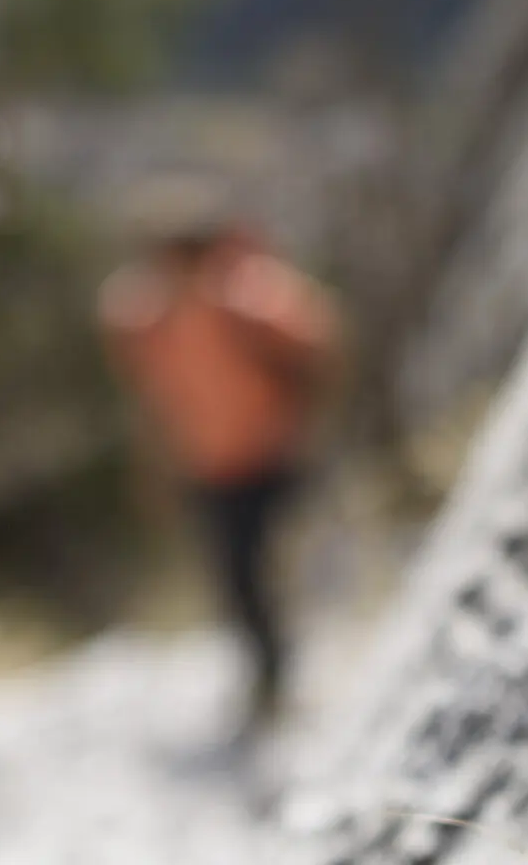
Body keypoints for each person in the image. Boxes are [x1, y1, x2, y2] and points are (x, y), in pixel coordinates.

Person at [98, 176, 341, 744]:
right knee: (237, 573)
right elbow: (153, 400)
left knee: (269, 562)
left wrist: (305, 430)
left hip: (271, 452)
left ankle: (286, 666)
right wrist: (156, 462)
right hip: (207, 462)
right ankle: (269, 674)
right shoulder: (146, 319)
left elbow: (318, 361)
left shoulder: (257, 299)